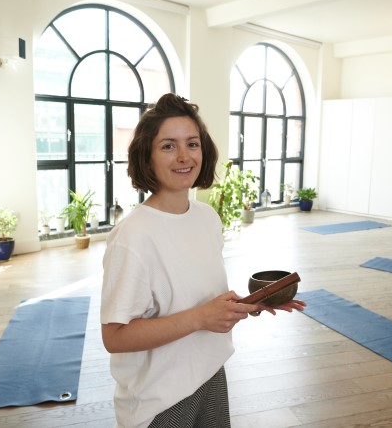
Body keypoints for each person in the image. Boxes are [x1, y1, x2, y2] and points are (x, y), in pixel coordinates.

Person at [100, 93, 305, 428]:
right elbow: (116, 337)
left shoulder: (207, 218)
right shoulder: (133, 236)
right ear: (147, 157)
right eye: (168, 146)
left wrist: (245, 305)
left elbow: (196, 300)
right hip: (161, 398)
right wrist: (200, 317)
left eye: (192, 144)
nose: (184, 156)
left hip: (211, 372)